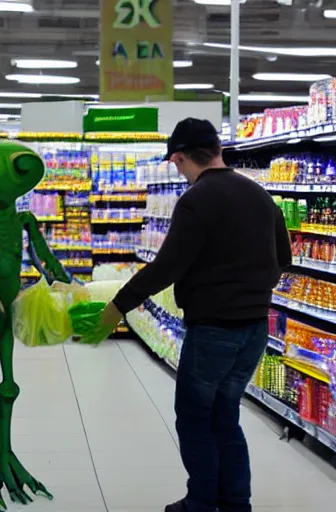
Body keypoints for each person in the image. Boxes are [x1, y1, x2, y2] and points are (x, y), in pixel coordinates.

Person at [84, 118, 292, 512]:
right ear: (217, 149)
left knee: (195, 418)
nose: (177, 171)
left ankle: (200, 503)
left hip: (214, 328)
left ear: (179, 157)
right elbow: (284, 258)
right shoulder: (260, 195)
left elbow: (166, 267)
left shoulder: (198, 199)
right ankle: (234, 502)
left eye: (175, 164)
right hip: (253, 330)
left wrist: (116, 309)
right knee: (225, 416)